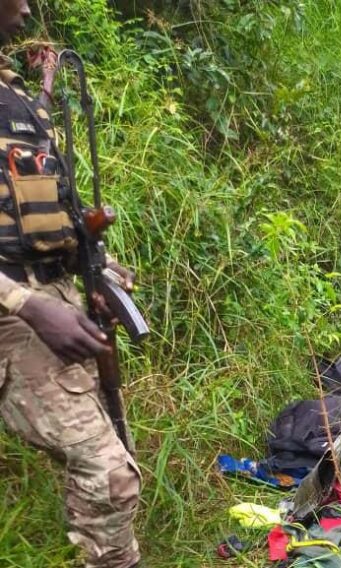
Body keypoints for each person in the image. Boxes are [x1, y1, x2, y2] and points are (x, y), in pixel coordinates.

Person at [0, 1, 142, 566]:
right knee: (109, 473)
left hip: (52, 298)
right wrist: (29, 305)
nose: (28, 7)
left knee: (114, 455)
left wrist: (96, 272)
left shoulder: (14, 98)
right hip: (17, 313)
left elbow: (46, 207)